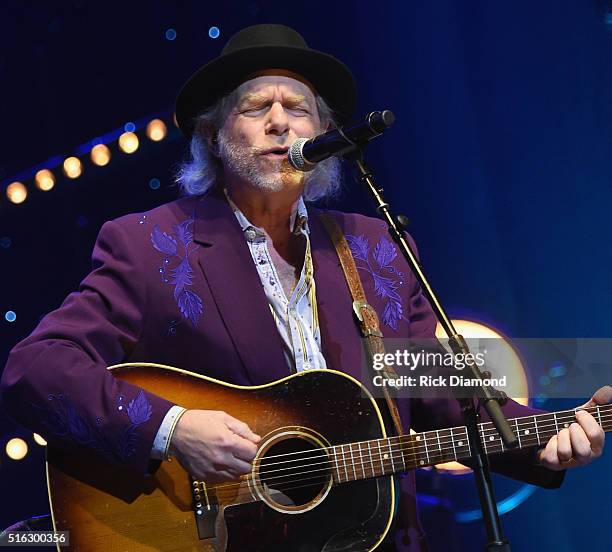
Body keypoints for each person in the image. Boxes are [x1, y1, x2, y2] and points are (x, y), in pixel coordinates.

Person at [0, 24, 608, 551]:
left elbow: (446, 389)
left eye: (298, 109)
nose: (279, 122)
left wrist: (549, 436)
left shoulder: (373, 246)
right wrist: (173, 428)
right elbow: (37, 368)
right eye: (255, 106)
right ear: (215, 135)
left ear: (322, 137)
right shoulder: (153, 245)